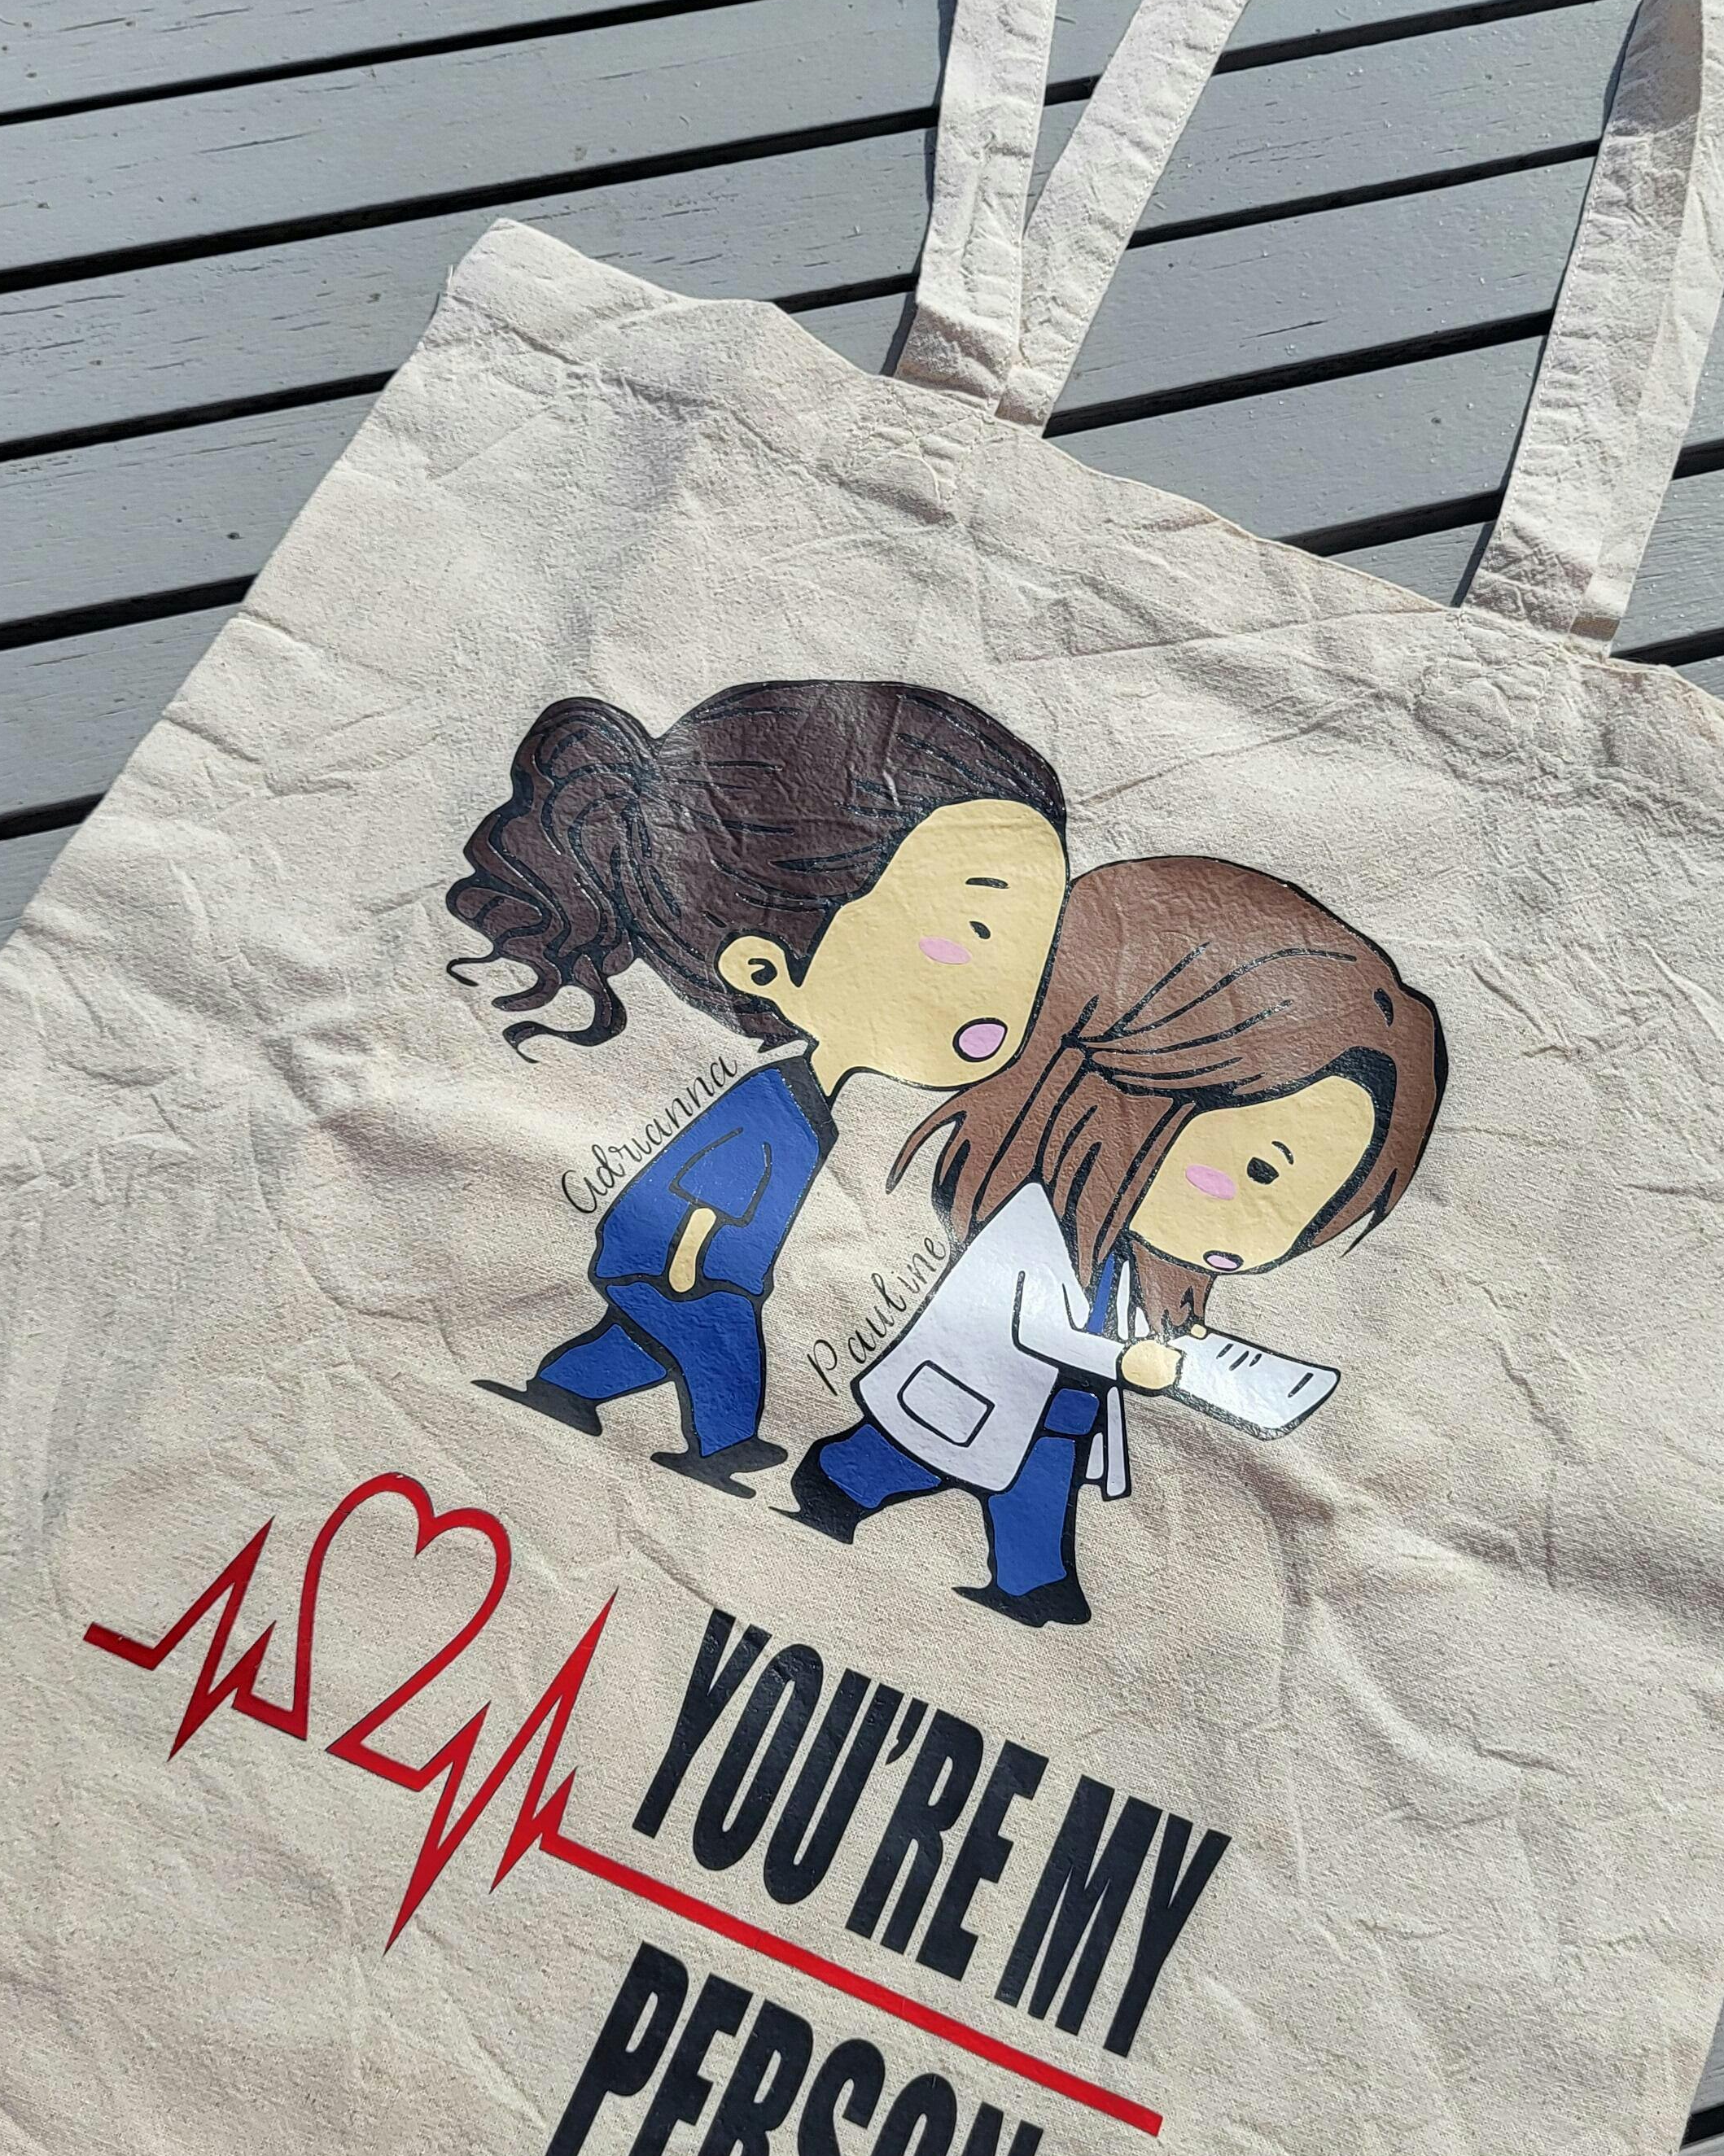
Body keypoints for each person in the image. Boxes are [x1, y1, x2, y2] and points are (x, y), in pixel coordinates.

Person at [784, 855, 1446, 1621]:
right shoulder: (1033, 1223)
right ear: (1130, 1084)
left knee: (1034, 1487)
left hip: (1059, 1411)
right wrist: (1125, 1361)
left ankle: (1034, 1584)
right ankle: (837, 1481)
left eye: (1311, 1210)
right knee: (913, 1455)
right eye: (1263, 1171)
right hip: (980, 1386)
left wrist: (1177, 1348)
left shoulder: (1127, 1254)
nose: (1261, 1239)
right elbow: (1030, 1326)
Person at [448, 678, 1069, 1494]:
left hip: (693, 1268)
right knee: (718, 1346)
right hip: (684, 1268)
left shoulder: (804, 1101)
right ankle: (722, 1444)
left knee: (642, 1348)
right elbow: (684, 1191)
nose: (1013, 987)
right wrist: (682, 1269)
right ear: (764, 967)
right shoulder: (770, 1106)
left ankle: (565, 1390)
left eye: (1034, 945)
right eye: (975, 932)